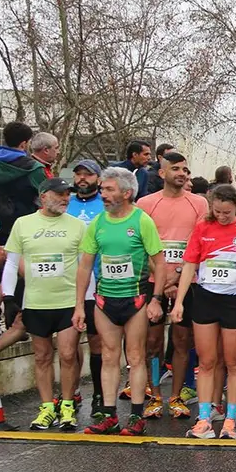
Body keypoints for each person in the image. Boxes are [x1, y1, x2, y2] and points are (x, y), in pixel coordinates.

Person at [73, 167, 166, 436]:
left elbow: (159, 264)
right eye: (102, 189)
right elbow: (85, 266)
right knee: (109, 357)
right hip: (104, 299)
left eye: (109, 189)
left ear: (126, 193)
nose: (103, 194)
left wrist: (156, 299)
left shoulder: (141, 221)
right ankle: (110, 415)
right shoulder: (98, 223)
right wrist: (80, 304)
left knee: (135, 357)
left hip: (135, 298)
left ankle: (137, 416)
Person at [174, 184, 236, 440]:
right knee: (207, 361)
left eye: (226, 212)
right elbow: (189, 265)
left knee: (234, 362)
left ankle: (230, 421)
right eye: (217, 211)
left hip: (234, 301)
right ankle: (204, 419)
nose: (222, 216)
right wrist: (180, 301)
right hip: (205, 298)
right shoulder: (202, 228)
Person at [3, 178, 87, 430]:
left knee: (68, 354)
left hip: (67, 301)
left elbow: (85, 266)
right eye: (60, 194)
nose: (65, 198)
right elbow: (10, 263)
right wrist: (8, 298)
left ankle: (68, 405)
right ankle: (47, 407)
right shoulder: (23, 224)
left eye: (67, 194)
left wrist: (85, 302)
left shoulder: (78, 226)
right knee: (41, 356)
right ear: (43, 196)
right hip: (37, 302)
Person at [137, 151, 208, 419]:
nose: (181, 174)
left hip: (187, 282)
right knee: (152, 342)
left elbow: (200, 244)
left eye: (185, 170)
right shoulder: (145, 203)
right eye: (176, 169)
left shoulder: (199, 203)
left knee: (181, 341)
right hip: (153, 282)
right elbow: (143, 246)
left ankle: (176, 396)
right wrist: (163, 280)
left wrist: (178, 276)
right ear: (162, 173)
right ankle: (155, 396)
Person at [0, 120, 44, 339]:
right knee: (18, 270)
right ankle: (14, 323)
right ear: (25, 143)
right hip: (21, 224)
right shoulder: (32, 167)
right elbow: (44, 192)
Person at [65, 159, 106, 407]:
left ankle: (100, 394)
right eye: (78, 174)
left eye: (88, 175)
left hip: (98, 280)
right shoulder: (65, 204)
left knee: (96, 340)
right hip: (68, 281)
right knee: (68, 342)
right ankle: (73, 390)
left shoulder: (105, 204)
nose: (82, 178)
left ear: (98, 179)